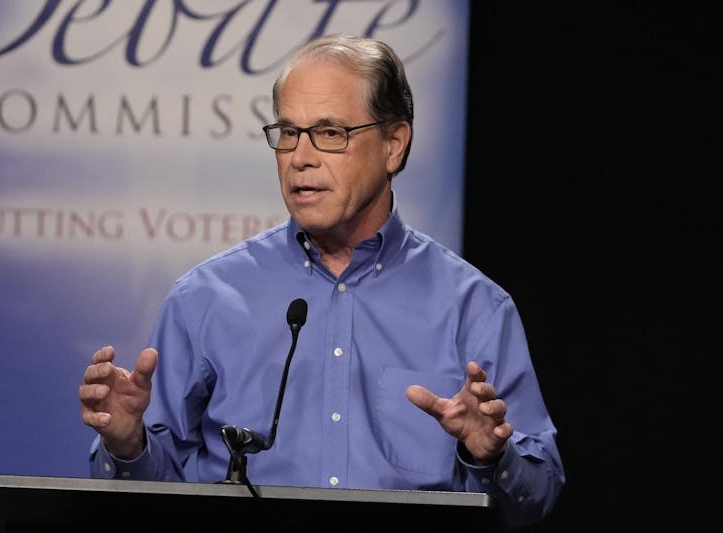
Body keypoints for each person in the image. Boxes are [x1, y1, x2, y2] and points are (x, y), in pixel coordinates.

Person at [79, 34, 564, 527]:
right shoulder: (205, 298)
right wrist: (127, 443)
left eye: (330, 133)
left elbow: (538, 495)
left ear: (394, 145)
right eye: (288, 132)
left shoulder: (474, 307)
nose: (300, 157)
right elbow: (152, 497)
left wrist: (490, 456)